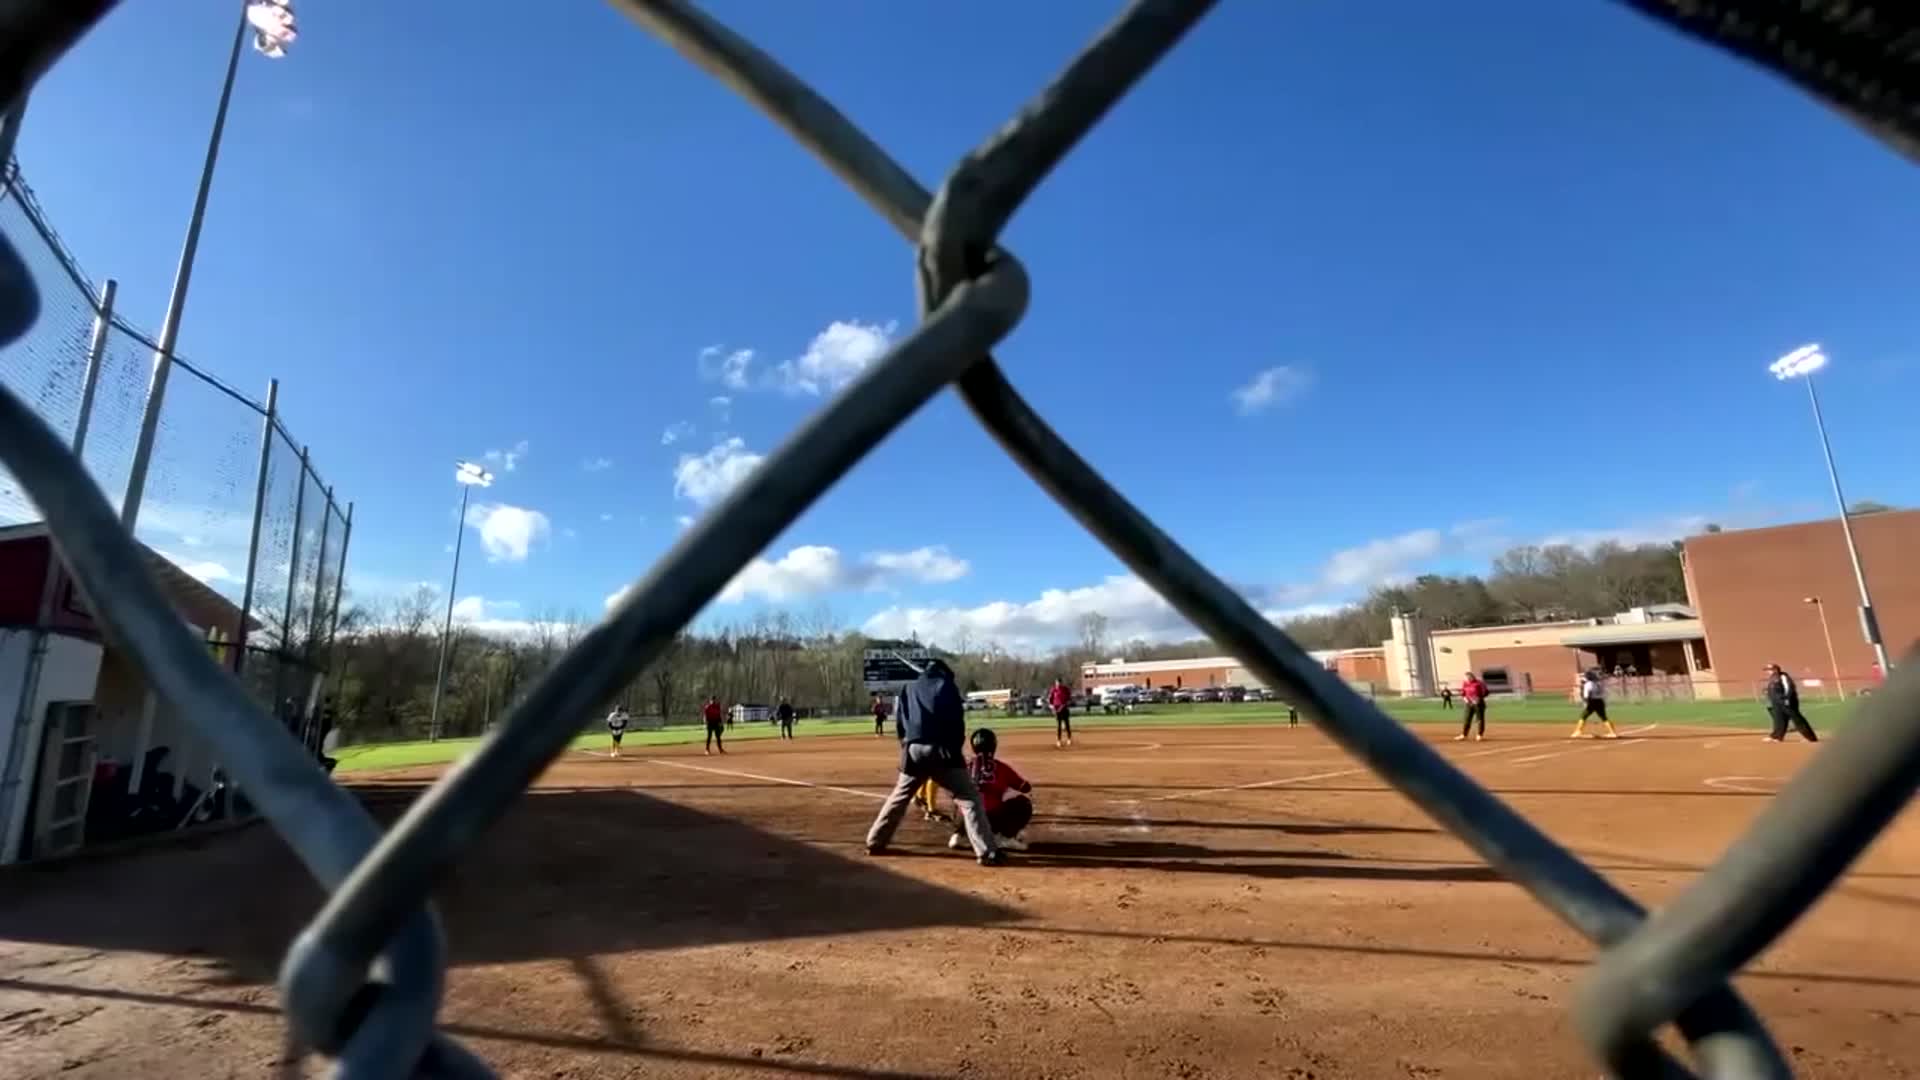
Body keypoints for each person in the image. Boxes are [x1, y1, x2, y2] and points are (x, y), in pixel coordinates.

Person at [865, 659, 1004, 865]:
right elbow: (956, 721)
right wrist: (954, 750)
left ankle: (875, 841)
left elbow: (901, 723)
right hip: (941, 749)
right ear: (943, 672)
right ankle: (986, 852)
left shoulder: (908, 687)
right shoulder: (945, 685)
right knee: (969, 798)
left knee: (899, 796)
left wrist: (907, 746)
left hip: (913, 749)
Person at [947, 728, 1034, 852]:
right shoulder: (1000, 766)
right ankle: (1005, 838)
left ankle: (958, 835)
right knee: (1023, 803)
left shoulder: (966, 766)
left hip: (968, 817)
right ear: (993, 745)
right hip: (991, 819)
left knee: (960, 798)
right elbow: (1025, 787)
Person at [1763, 663, 1818, 743]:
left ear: (1775, 669)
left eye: (1769, 670)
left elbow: (1789, 687)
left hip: (1786, 702)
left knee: (1797, 719)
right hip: (1777, 703)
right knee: (1779, 720)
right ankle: (1777, 737)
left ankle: (1810, 737)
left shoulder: (1783, 676)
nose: (1768, 672)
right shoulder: (1772, 678)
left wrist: (1787, 699)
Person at [1571, 669, 1619, 739]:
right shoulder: (1598, 683)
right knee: (1604, 717)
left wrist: (1586, 702)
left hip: (1592, 701)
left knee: (1583, 716)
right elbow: (1603, 692)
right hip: (1600, 701)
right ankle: (1612, 733)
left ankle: (1578, 731)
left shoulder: (1588, 684)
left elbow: (1586, 695)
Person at [1455, 671, 1488, 741]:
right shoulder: (1465, 683)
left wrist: (1478, 698)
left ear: (1472, 677)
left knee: (1479, 719)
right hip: (1469, 704)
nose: (1467, 679)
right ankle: (1464, 735)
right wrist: (1465, 699)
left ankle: (1479, 735)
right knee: (1467, 719)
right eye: (1466, 678)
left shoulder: (1479, 683)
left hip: (1478, 704)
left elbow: (1486, 692)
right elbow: (1463, 693)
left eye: (1469, 677)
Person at [1048, 678, 1073, 749]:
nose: (1058, 684)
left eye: (1059, 683)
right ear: (1055, 683)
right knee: (1058, 725)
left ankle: (1069, 738)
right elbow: (1050, 699)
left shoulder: (1065, 689)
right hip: (1056, 708)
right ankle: (1058, 740)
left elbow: (1069, 698)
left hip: (1064, 708)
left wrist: (1066, 704)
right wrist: (1051, 706)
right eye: (1057, 683)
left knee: (1067, 724)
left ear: (1061, 683)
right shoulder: (1053, 690)